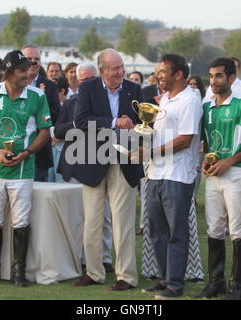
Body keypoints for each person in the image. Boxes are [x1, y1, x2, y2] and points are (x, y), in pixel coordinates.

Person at [0, 50, 51, 287]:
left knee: (21, 222)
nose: (27, 73)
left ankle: (19, 273)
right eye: (21, 70)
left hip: (23, 170)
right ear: (8, 73)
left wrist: (27, 153)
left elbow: (44, 131)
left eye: (28, 68)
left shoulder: (37, 96)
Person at [71, 48, 143, 291]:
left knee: (123, 223)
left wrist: (139, 127)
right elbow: (81, 122)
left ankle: (127, 277)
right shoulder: (87, 88)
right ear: (101, 71)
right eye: (114, 69)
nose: (120, 72)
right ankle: (94, 272)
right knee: (92, 221)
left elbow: (144, 123)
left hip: (124, 162)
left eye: (121, 67)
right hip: (93, 162)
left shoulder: (134, 89)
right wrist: (114, 122)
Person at [137, 54, 203, 299]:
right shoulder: (163, 98)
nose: (158, 76)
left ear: (178, 74)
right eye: (157, 71)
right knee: (156, 230)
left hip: (177, 175)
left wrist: (151, 151)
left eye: (163, 71)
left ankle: (175, 284)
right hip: (155, 173)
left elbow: (185, 140)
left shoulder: (190, 100)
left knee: (176, 231)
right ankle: (164, 279)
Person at [196, 58, 241, 300]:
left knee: (237, 230)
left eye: (219, 76)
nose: (213, 81)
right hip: (213, 176)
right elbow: (208, 143)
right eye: (211, 76)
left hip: (235, 173)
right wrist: (206, 159)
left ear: (232, 78)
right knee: (214, 229)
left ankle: (236, 287)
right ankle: (216, 282)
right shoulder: (207, 108)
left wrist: (229, 161)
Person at [54, 62, 115, 273]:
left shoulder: (107, 102)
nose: (87, 83)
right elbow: (58, 130)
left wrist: (93, 122)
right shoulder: (71, 103)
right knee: (79, 215)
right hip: (76, 162)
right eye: (83, 80)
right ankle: (79, 257)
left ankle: (104, 258)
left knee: (104, 215)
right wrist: (79, 123)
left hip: (101, 160)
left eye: (91, 79)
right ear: (78, 81)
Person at [21, 45, 60, 182]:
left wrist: (41, 102)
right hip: (15, 149)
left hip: (40, 155)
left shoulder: (50, 86)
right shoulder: (11, 84)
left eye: (36, 59)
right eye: (29, 58)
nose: (33, 62)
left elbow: (56, 117)